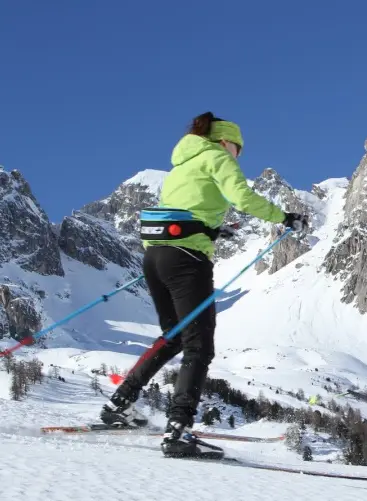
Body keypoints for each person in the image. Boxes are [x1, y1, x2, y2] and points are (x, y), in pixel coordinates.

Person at [99, 111, 307, 459]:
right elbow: (243, 198)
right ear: (226, 141)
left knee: (173, 337)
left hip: (156, 256)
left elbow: (186, 209)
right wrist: (284, 217)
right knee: (198, 346)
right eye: (238, 149)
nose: (238, 155)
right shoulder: (217, 157)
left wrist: (214, 230)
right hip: (186, 260)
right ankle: (178, 431)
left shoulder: (181, 166)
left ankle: (119, 405)